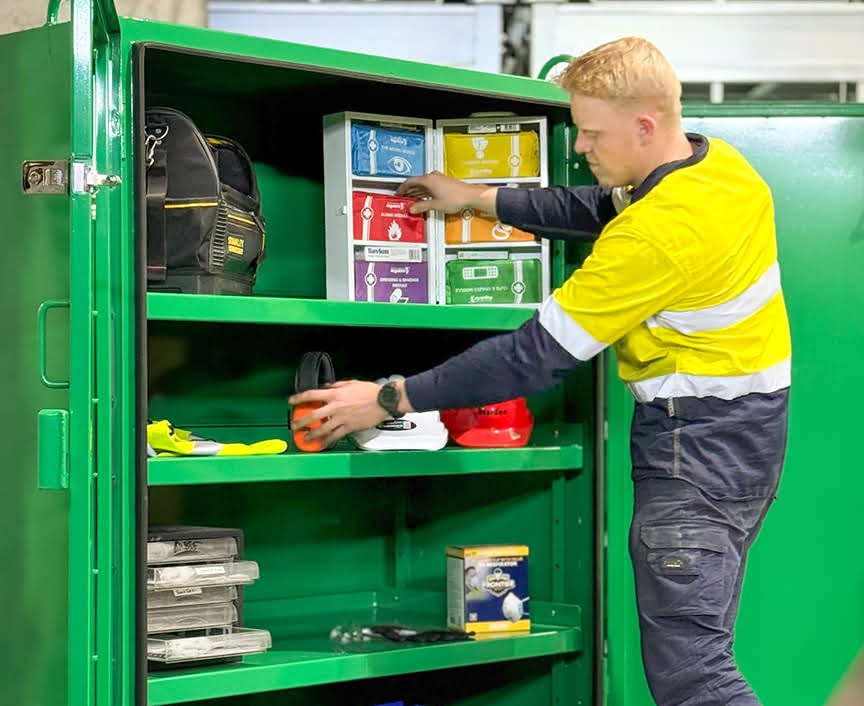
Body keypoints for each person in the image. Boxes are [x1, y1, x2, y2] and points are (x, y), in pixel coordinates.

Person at [290, 37, 790, 705]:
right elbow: (596, 208)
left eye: (591, 133)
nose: (581, 147)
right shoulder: (719, 171)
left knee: (696, 678)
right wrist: (476, 198)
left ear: (644, 126)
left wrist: (388, 398)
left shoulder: (660, 234)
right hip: (748, 445)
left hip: (690, 456)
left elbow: (531, 356)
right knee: (702, 654)